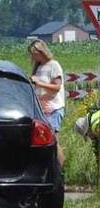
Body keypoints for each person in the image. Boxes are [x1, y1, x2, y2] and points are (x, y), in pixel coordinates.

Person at [28, 39, 66, 167]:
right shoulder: (38, 68)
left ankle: (60, 169)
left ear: (41, 52)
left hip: (53, 108)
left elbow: (57, 87)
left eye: (34, 53)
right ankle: (47, 167)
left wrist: (39, 83)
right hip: (42, 110)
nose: (33, 56)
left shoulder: (53, 65)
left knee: (54, 140)